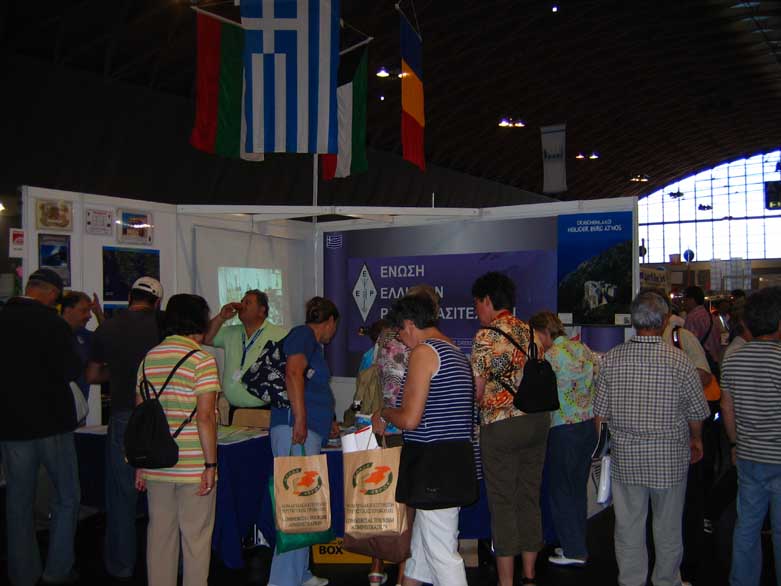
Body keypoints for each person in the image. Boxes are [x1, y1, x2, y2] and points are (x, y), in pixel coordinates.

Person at [594, 291, 709, 586]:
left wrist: (607, 450)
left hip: (626, 458)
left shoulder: (612, 359)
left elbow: (600, 416)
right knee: (668, 528)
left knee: (628, 527)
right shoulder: (680, 361)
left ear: (633, 322)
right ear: (664, 321)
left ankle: (631, 580)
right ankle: (666, 581)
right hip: (669, 458)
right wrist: (696, 439)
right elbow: (696, 412)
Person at [372, 295, 476, 586]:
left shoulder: (424, 352)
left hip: (433, 463)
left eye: (400, 332)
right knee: (420, 554)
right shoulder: (455, 351)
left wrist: (384, 413)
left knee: (442, 554)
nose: (402, 340)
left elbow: (409, 419)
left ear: (409, 324)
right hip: (453, 458)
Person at [0, 268, 83, 586]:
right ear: (50, 292)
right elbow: (71, 369)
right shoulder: (53, 323)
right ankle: (57, 570)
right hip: (52, 423)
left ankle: (23, 573)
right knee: (66, 496)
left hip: (11, 426)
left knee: (18, 501)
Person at [133, 294, 220, 586]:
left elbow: (141, 416)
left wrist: (140, 465)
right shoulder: (202, 360)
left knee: (160, 536)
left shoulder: (148, 358)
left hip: (156, 462)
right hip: (193, 464)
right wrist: (210, 465)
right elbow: (205, 417)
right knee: (196, 538)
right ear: (199, 321)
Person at [470, 272, 548, 586]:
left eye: (477, 303)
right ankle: (529, 575)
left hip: (501, 425)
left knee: (502, 501)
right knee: (529, 496)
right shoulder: (531, 331)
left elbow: (477, 390)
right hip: (537, 422)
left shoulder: (485, 336)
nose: (476, 310)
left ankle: (506, 581)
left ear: (488, 300)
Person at [87, 276, 164, 580]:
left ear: (130, 297)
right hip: (162, 417)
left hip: (123, 416)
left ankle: (121, 567)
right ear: (157, 302)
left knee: (121, 496)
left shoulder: (108, 328)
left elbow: (93, 375)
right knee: (167, 494)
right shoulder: (163, 325)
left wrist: (118, 371)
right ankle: (169, 565)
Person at [267, 297, 339, 586]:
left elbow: (311, 385)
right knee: (295, 506)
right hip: (294, 429)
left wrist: (326, 419)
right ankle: (282, 580)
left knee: (305, 505)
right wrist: (300, 419)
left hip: (306, 429)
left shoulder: (312, 343)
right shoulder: (303, 334)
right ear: (330, 321)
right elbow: (293, 372)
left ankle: (300, 573)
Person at [720, 287, 781, 586]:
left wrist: (734, 443)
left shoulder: (733, 359)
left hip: (747, 455)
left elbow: (726, 406)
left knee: (747, 526)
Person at [529, 311, 598, 567]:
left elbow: (540, 395)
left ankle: (573, 550)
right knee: (577, 488)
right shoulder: (583, 349)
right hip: (587, 426)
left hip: (562, 428)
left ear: (543, 333)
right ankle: (576, 542)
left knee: (561, 490)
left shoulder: (550, 357)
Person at [204, 289, 287, 423]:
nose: (241, 305)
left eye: (247, 303)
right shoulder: (231, 332)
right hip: (235, 410)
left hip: (266, 411)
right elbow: (205, 338)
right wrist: (221, 317)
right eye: (242, 301)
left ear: (261, 310)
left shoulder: (279, 335)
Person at [60, 291, 103, 406]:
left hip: (79, 407)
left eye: (89, 311)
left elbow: (107, 340)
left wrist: (98, 314)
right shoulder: (53, 334)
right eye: (84, 311)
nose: (89, 316)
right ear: (68, 310)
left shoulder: (84, 335)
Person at [683, 286, 722, 376]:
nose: (683, 303)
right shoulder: (712, 317)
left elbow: (688, 344)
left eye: (685, 300)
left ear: (692, 300)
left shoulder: (692, 318)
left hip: (701, 366)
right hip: (714, 362)